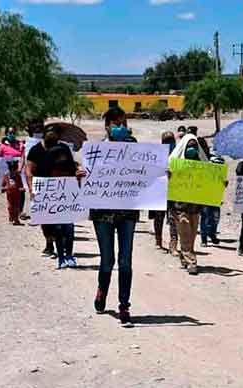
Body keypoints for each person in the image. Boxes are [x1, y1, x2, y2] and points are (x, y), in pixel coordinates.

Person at [91, 107, 139, 327]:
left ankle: (124, 306)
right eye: (116, 123)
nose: (120, 127)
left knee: (126, 261)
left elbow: (143, 171)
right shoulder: (97, 150)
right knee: (107, 260)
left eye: (123, 122)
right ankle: (102, 290)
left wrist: (161, 174)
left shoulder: (135, 147)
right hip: (103, 214)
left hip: (127, 212)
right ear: (107, 126)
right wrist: (82, 173)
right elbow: (89, 176)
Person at [169, 134, 208, 275]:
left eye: (194, 146)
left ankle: (184, 256)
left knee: (191, 235)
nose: (192, 149)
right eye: (189, 146)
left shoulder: (203, 166)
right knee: (185, 234)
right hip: (180, 207)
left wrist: (220, 185)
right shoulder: (174, 164)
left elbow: (209, 184)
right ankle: (192, 262)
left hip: (195, 207)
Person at [26, 121, 59, 258]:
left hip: (59, 189)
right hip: (41, 190)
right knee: (44, 220)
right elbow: (29, 171)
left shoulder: (61, 148)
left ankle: (60, 246)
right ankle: (49, 243)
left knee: (58, 219)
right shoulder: (35, 150)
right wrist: (31, 189)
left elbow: (71, 166)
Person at [48, 142, 79, 270]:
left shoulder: (72, 167)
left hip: (68, 204)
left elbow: (79, 180)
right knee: (58, 231)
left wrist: (79, 176)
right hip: (54, 205)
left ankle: (69, 255)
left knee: (69, 230)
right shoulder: (48, 168)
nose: (61, 157)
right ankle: (61, 257)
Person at [152, 131, 178, 252]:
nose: (170, 143)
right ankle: (158, 240)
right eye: (167, 141)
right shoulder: (156, 156)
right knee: (159, 217)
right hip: (159, 191)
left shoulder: (179, 156)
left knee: (173, 218)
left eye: (171, 140)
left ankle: (173, 243)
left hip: (174, 191)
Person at [200, 155, 225, 247]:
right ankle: (204, 239)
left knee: (215, 218)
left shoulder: (220, 174)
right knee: (205, 218)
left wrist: (224, 184)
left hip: (216, 198)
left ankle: (212, 234)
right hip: (205, 198)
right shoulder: (204, 172)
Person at [1, 160, 24, 225]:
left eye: (14, 170)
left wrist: (21, 188)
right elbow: (3, 185)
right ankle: (11, 217)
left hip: (17, 194)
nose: (13, 171)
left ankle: (16, 219)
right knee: (10, 206)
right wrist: (3, 188)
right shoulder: (6, 176)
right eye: (11, 170)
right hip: (9, 194)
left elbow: (21, 184)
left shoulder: (18, 176)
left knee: (16, 206)